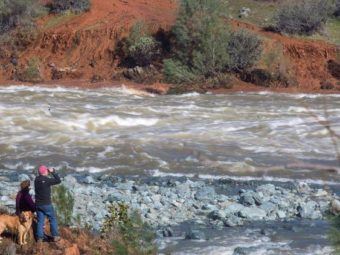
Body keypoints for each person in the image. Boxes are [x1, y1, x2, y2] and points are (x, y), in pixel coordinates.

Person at [34, 165, 61, 242]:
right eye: (46, 170)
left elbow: (42, 176)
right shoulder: (47, 180)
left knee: (40, 221)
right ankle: (55, 236)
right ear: (45, 172)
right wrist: (53, 172)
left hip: (38, 204)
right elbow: (58, 180)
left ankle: (39, 238)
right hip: (46, 204)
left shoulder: (36, 180)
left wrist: (46, 172)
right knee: (52, 218)